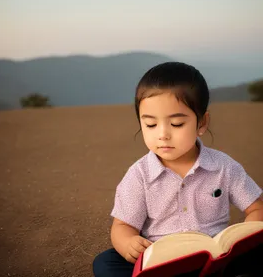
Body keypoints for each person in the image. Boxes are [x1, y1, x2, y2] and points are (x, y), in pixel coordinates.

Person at [93, 62, 263, 277]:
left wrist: (245, 238)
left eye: (176, 124)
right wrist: (129, 243)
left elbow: (256, 208)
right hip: (161, 261)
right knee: (106, 263)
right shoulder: (139, 175)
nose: (162, 134)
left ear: (202, 123)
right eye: (151, 125)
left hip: (213, 257)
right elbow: (122, 225)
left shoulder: (224, 166)